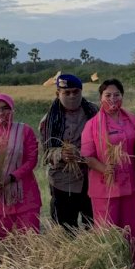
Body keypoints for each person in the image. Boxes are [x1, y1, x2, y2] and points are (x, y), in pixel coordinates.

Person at [81, 79, 135, 258]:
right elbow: (87, 156)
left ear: (122, 96)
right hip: (104, 188)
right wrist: (104, 168)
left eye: (117, 95)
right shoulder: (92, 125)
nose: (112, 99)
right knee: (108, 234)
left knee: (129, 233)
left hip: (129, 186)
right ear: (100, 98)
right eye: (108, 95)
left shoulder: (131, 120)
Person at [0, 94, 41, 238]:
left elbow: (31, 160)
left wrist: (11, 177)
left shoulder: (25, 131)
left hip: (24, 196)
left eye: (5, 108)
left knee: (29, 242)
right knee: (0, 245)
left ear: (12, 110)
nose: (1, 113)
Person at [39, 74, 97, 230]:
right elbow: (46, 154)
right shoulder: (48, 120)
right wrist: (61, 154)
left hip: (91, 179)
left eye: (75, 92)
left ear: (81, 92)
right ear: (58, 94)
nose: (71, 96)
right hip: (63, 182)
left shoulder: (93, 111)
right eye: (67, 93)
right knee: (65, 228)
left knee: (94, 225)